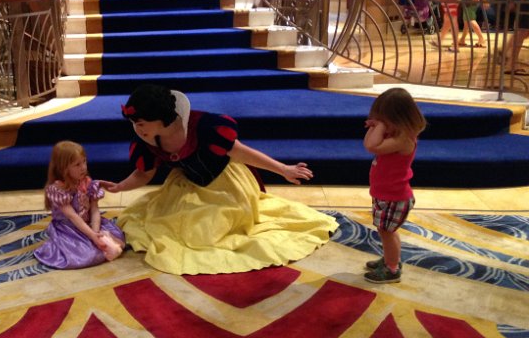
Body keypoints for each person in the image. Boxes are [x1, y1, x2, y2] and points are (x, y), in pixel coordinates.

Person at [100, 84, 338, 275]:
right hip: (188, 185)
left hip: (226, 184)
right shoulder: (147, 139)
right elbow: (144, 173)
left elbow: (243, 153)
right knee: (170, 228)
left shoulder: (205, 127)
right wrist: (120, 187)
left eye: (140, 123)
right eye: (134, 123)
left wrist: (283, 169)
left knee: (203, 235)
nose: (136, 128)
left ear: (161, 118)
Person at [362, 88, 426, 284]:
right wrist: (376, 127)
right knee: (385, 231)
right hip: (386, 194)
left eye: (384, 120)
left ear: (399, 118)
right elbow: (368, 143)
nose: (380, 125)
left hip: (395, 197)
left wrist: (378, 127)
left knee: (387, 232)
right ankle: (391, 260)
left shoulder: (403, 139)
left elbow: (371, 146)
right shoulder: (395, 136)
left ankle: (392, 268)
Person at [34, 141, 125, 269]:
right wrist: (92, 236)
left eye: (84, 161)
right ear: (63, 168)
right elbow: (73, 217)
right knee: (88, 256)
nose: (83, 167)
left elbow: (94, 210)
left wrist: (96, 231)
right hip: (69, 228)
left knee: (119, 237)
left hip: (89, 223)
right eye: (77, 164)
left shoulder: (88, 183)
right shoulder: (58, 189)